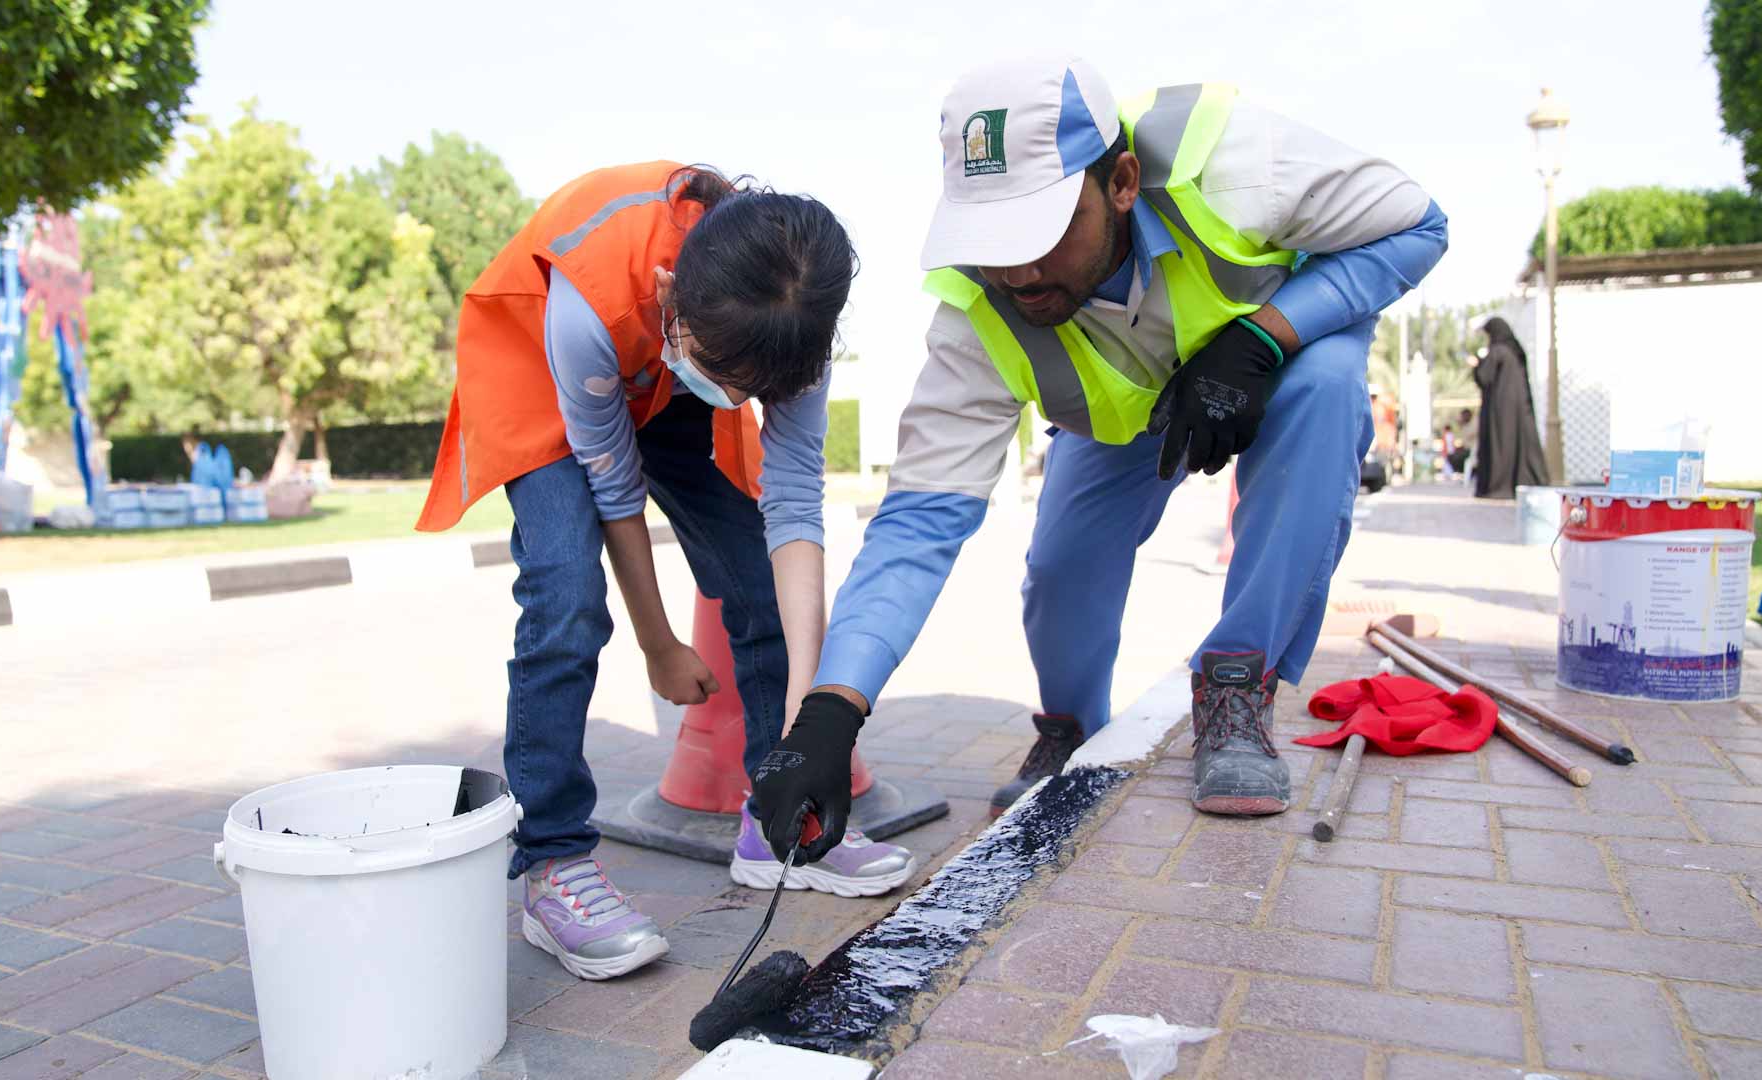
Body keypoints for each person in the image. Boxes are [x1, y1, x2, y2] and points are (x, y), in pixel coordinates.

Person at [749, 56, 1447, 862]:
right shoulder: (976, 316)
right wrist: (833, 711)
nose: (1016, 271)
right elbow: (916, 523)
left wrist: (1266, 336)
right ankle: (1074, 726)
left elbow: (1419, 225)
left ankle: (1236, 687)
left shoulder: (1234, 166)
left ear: (1119, 182)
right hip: (1125, 421)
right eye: (990, 240)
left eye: (1038, 233)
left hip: (1266, 371)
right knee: (1061, 568)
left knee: (1329, 388)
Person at [415, 162, 913, 982]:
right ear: (668, 286)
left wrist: (808, 717)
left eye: (744, 388)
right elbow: (614, 486)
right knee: (566, 595)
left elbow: (792, 502)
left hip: (666, 362)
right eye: (722, 376)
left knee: (755, 577)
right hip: (547, 364)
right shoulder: (601, 285)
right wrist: (657, 643)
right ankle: (552, 863)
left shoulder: (786, 328)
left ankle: (772, 821)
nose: (728, 394)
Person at [1470, 317, 1549, 498]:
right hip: (1520, 410)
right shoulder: (1515, 352)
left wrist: (1477, 365)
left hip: (1499, 411)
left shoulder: (1497, 352)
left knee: (1500, 446)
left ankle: (1499, 487)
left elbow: (1484, 377)